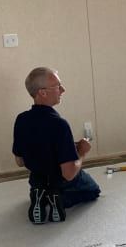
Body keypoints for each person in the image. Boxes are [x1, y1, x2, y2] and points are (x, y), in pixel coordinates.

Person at [13, 67, 100, 224]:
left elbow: (20, 161)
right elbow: (68, 174)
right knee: (93, 190)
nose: (63, 90)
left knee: (41, 177)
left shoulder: (21, 119)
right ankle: (56, 197)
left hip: (37, 177)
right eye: (58, 86)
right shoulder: (59, 124)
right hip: (61, 180)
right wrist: (82, 151)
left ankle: (40, 193)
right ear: (43, 92)